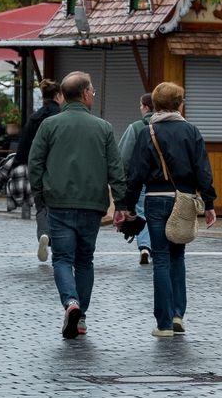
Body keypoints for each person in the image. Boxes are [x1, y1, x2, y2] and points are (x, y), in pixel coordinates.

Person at [26, 72, 124, 340]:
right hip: (92, 204)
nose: (94, 94)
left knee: (62, 258)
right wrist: (122, 204)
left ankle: (71, 302)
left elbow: (35, 163)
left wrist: (41, 192)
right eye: (92, 90)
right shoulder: (103, 128)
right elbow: (116, 168)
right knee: (84, 260)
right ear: (83, 94)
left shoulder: (49, 125)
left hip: (58, 202)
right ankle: (80, 319)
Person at [125, 82, 217, 337]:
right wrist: (209, 203)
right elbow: (203, 171)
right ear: (179, 104)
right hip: (184, 200)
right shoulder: (191, 131)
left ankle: (163, 323)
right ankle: (178, 315)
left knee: (161, 260)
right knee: (178, 256)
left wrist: (127, 204)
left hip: (155, 199)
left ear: (155, 104)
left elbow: (136, 173)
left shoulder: (148, 132)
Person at [16, 79, 61, 261]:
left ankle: (44, 234)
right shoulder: (61, 116)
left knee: (42, 206)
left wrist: (19, 164)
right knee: (59, 209)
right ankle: (59, 246)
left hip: (39, 168)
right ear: (58, 96)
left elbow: (24, 146)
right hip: (59, 168)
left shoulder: (35, 117)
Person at [117, 93, 155, 267]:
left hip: (140, 181)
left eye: (141, 105)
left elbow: (123, 157)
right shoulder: (172, 125)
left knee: (141, 212)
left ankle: (145, 246)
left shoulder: (135, 127)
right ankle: (159, 247)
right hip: (165, 184)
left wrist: (122, 180)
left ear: (146, 107)